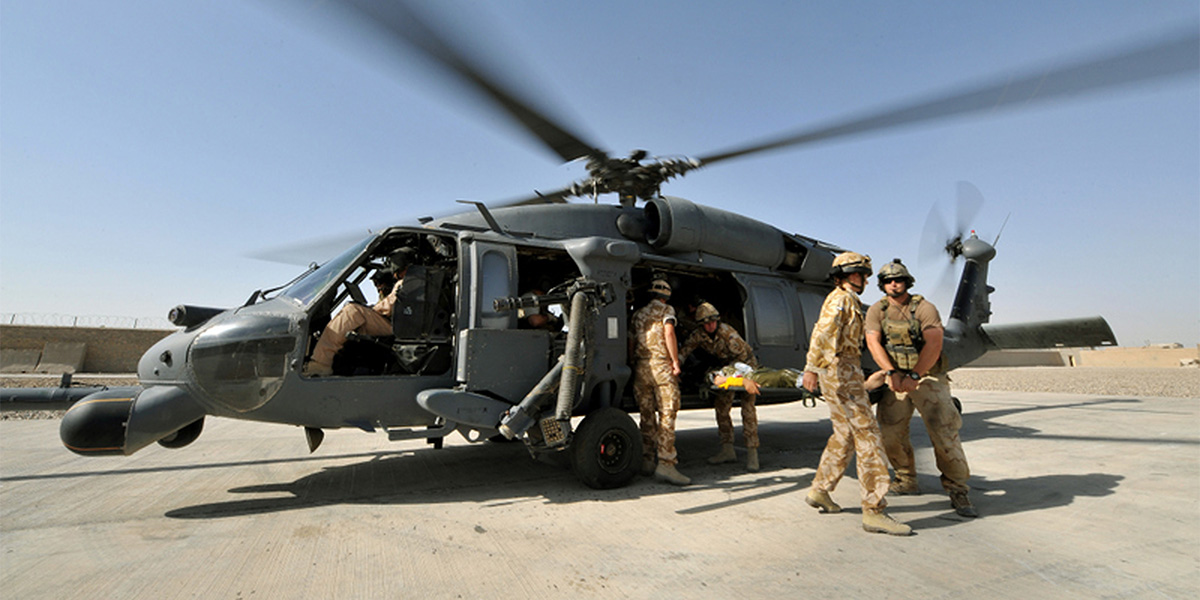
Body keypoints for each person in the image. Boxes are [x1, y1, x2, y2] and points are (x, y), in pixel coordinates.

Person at [801, 251, 912, 536]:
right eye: (856, 274)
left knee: (845, 434)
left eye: (863, 275)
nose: (861, 279)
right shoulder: (842, 299)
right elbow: (823, 332)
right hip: (841, 370)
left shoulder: (844, 299)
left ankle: (820, 490)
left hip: (839, 370)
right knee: (869, 437)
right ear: (843, 276)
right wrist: (811, 367)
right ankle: (874, 511)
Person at [866, 259, 977, 518]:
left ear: (907, 282)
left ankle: (958, 488)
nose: (894, 284)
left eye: (899, 280)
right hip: (896, 377)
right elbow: (874, 343)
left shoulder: (924, 308)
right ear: (882, 285)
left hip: (928, 376)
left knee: (944, 430)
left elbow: (934, 344)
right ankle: (906, 480)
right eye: (889, 281)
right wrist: (891, 373)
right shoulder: (877, 311)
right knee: (890, 432)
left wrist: (916, 374)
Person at [303, 248, 415, 376]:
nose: (396, 275)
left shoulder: (407, 282)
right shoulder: (416, 280)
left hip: (399, 326)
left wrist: (370, 310)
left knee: (352, 311)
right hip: (402, 325)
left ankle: (321, 363)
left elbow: (388, 308)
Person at [679, 303, 762, 471]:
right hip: (727, 370)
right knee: (722, 407)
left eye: (713, 322)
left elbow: (741, 361)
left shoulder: (729, 335)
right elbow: (686, 349)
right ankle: (727, 450)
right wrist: (677, 364)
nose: (710, 326)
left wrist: (725, 375)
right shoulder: (700, 334)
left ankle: (753, 454)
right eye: (706, 323)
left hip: (745, 368)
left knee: (747, 409)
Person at [631, 276, 689, 485]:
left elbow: (631, 340)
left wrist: (634, 363)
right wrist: (675, 361)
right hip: (661, 366)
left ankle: (647, 461)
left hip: (641, 368)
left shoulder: (638, 314)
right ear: (666, 297)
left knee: (646, 415)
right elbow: (670, 333)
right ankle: (666, 464)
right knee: (667, 414)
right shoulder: (666, 311)